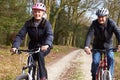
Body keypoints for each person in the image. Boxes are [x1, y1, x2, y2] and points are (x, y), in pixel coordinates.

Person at [10, 2, 53, 80]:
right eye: (35, 11)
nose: (37, 13)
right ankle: (31, 77)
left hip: (44, 46)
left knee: (40, 55)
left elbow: (50, 35)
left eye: (39, 11)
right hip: (32, 47)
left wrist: (47, 44)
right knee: (30, 61)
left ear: (43, 13)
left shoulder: (46, 24)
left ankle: (43, 77)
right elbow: (20, 35)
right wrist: (15, 46)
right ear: (33, 12)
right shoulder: (28, 23)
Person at [84, 7, 120, 80]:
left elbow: (118, 33)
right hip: (97, 47)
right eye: (99, 17)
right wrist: (86, 46)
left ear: (106, 17)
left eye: (103, 17)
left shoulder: (111, 23)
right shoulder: (94, 23)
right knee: (96, 62)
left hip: (109, 46)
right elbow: (89, 35)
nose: (101, 19)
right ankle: (94, 75)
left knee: (111, 58)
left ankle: (111, 77)